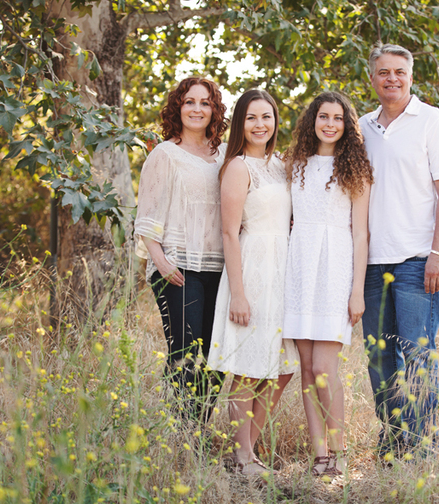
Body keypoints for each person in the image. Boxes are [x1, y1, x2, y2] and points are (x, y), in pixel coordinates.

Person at [359, 42, 439, 457]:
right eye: (384, 72)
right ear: (372, 78)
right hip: (370, 263)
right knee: (379, 358)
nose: (392, 79)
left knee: (418, 355)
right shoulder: (361, 126)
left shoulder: (432, 121)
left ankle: (421, 446)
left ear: (411, 76)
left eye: (399, 71)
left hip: (418, 261)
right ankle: (393, 439)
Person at [208, 89, 299, 475]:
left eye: (267, 117)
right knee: (248, 367)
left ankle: (243, 450)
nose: (260, 125)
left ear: (276, 121)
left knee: (283, 366)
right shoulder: (237, 167)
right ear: (240, 124)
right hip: (252, 269)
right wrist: (239, 294)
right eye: (251, 118)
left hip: (284, 270)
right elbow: (229, 233)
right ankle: (243, 458)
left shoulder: (282, 165)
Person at [282, 92, 373, 476]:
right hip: (299, 268)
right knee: (304, 368)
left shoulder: (356, 170)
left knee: (324, 367)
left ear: (347, 125)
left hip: (336, 268)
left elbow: (361, 234)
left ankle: (340, 450)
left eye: (338, 118)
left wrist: (356, 290)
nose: (330, 123)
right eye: (324, 116)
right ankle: (319, 455)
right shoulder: (294, 165)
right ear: (312, 121)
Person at [134, 77, 228, 421]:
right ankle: (181, 434)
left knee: (218, 354)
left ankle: (199, 426)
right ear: (178, 107)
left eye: (205, 103)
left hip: (220, 269)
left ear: (214, 110)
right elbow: (146, 217)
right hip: (177, 268)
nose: (197, 109)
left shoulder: (224, 157)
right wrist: (161, 263)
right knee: (186, 353)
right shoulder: (165, 154)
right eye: (190, 102)